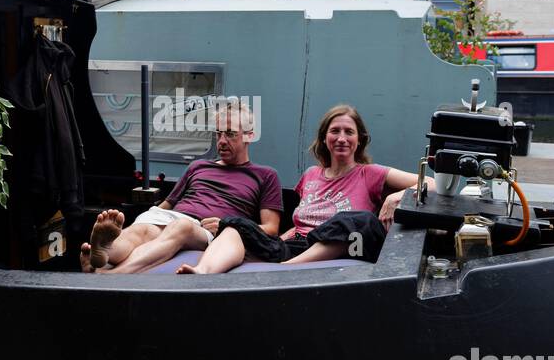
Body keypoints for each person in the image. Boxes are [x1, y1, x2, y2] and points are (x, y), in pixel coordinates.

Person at [177, 104, 428, 274]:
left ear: (358, 140)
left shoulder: (370, 173)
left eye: (349, 132)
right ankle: (204, 273)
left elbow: (431, 182)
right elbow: (298, 226)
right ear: (324, 138)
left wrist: (397, 195)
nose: (341, 137)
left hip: (350, 245)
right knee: (235, 225)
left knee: (359, 220)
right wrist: (266, 239)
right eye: (334, 131)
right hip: (299, 244)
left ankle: (285, 270)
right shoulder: (311, 175)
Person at [81, 103, 282, 274]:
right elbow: (168, 205)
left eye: (230, 134)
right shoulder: (199, 166)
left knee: (181, 227)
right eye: (218, 133)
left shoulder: (265, 175)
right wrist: (151, 215)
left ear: (249, 135)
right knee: (142, 229)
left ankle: (114, 276)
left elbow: (271, 229)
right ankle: (106, 250)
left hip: (208, 230)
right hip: (173, 218)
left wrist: (228, 224)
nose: (221, 141)